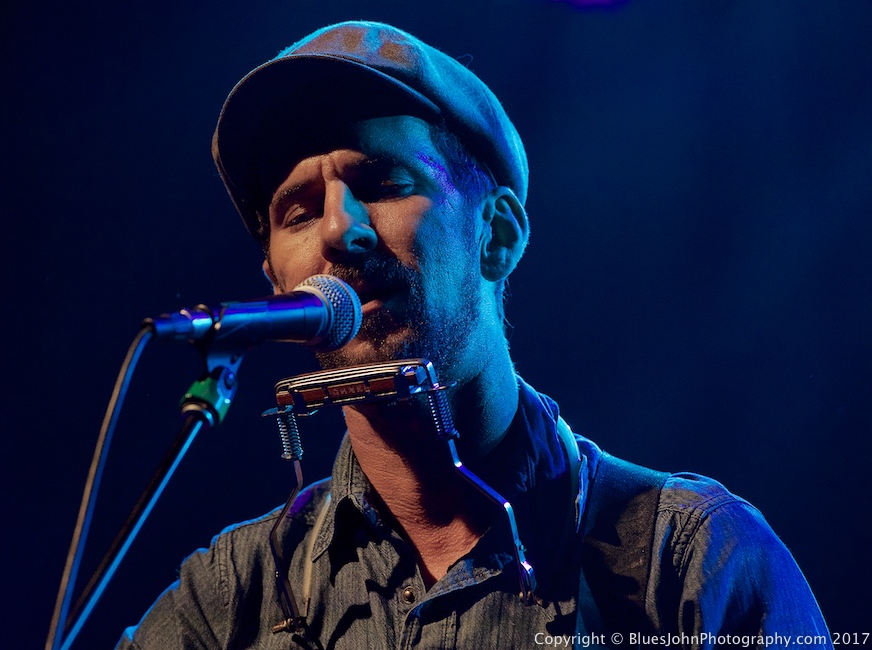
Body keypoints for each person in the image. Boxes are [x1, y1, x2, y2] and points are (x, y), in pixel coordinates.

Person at [117, 21, 830, 649]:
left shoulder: (691, 558)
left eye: (383, 183)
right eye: (300, 212)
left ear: (497, 234)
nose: (339, 230)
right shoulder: (229, 601)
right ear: (276, 281)